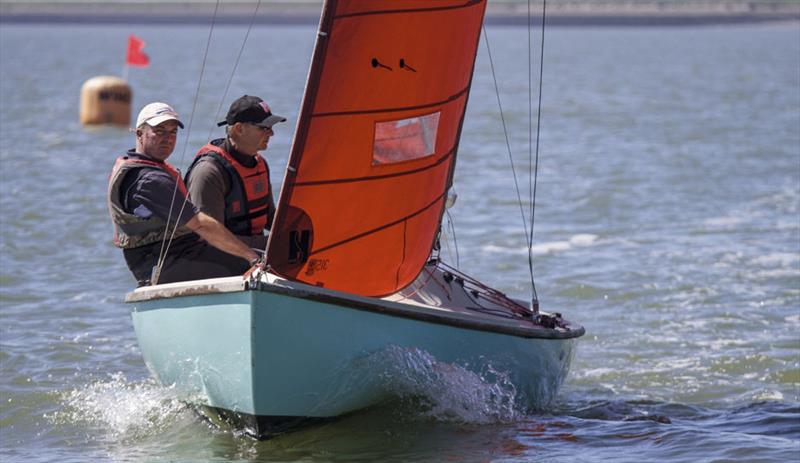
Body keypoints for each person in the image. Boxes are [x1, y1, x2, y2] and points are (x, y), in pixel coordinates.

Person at [108, 102, 262, 286]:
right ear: (139, 134)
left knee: (262, 254)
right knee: (262, 262)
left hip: (172, 256)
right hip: (163, 264)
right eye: (160, 130)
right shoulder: (149, 180)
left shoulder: (144, 167)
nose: (168, 138)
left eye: (173, 132)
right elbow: (200, 224)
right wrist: (251, 256)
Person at [184, 95, 286, 250]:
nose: (271, 133)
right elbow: (209, 240)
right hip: (217, 261)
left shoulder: (260, 164)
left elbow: (270, 218)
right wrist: (271, 244)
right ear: (239, 129)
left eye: (271, 128)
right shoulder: (208, 172)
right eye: (264, 128)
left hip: (254, 254)